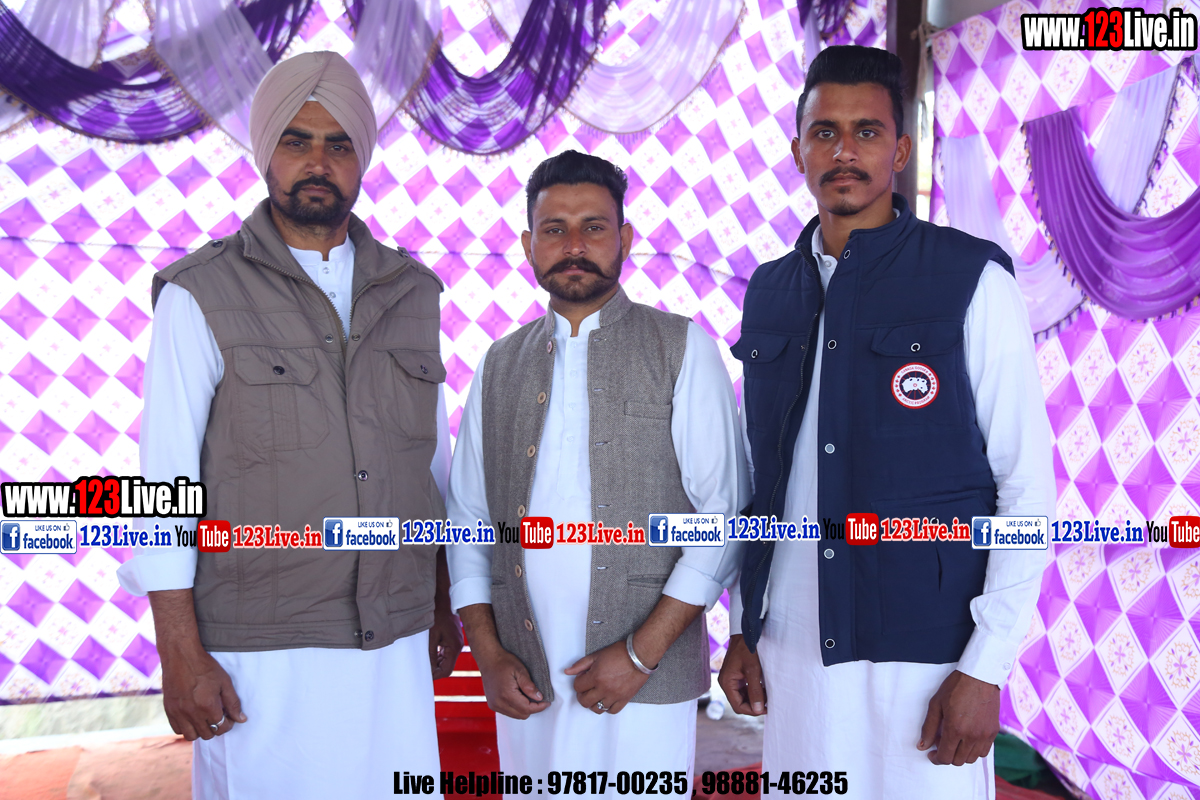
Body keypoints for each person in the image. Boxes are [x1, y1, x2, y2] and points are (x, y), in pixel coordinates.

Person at [115, 52, 461, 800]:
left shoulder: (413, 292)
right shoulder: (200, 293)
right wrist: (178, 649)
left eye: (339, 144)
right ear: (265, 152)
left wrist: (441, 600)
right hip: (261, 648)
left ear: (362, 159)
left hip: (394, 640)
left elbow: (432, 469)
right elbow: (163, 483)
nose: (317, 162)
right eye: (297, 140)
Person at [717, 46, 1054, 800]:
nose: (844, 151)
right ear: (798, 150)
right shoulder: (770, 291)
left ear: (900, 152)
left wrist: (985, 668)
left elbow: (1026, 488)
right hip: (794, 650)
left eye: (866, 132)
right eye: (825, 132)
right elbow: (759, 480)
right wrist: (744, 625)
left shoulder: (970, 278)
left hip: (926, 655)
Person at [446, 150, 749, 785]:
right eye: (554, 229)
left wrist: (641, 654)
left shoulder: (680, 347)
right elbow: (468, 521)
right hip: (525, 674)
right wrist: (489, 653)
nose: (574, 246)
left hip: (645, 672)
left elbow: (723, 519)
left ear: (625, 239)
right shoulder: (500, 364)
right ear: (529, 245)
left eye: (594, 227)